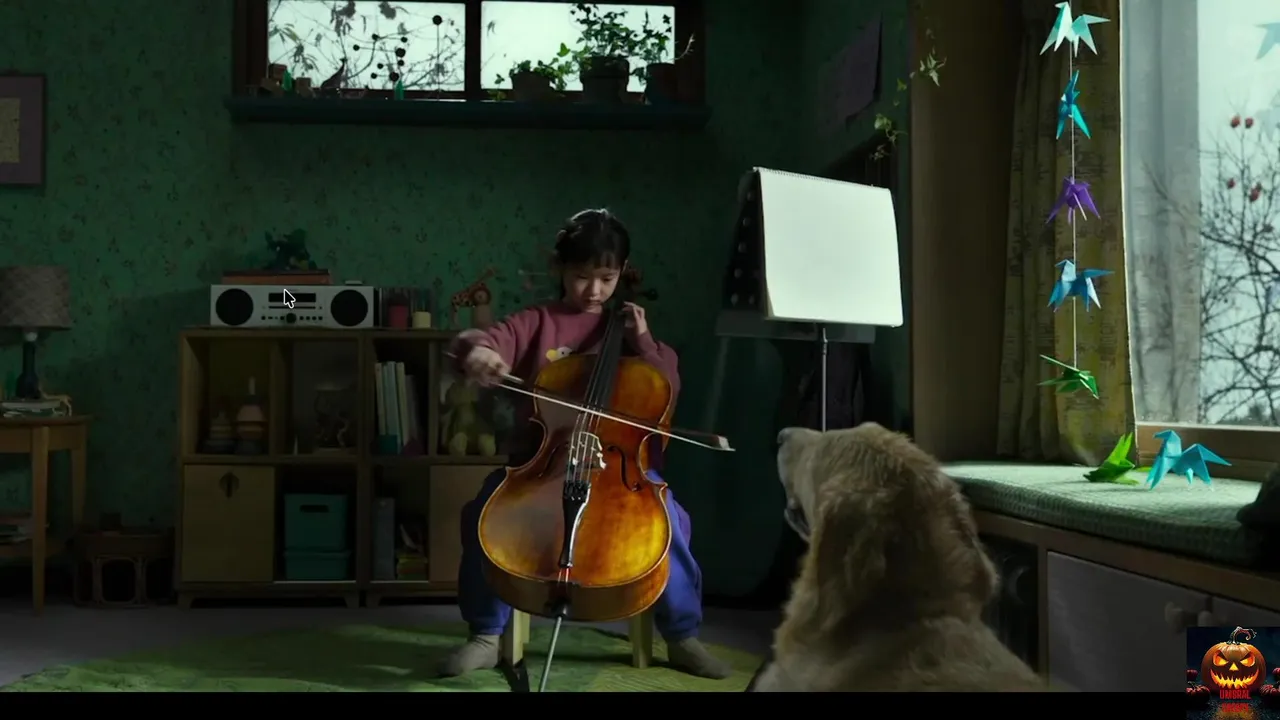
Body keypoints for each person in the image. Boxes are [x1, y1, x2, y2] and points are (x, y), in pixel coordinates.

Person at [438, 208, 731, 681]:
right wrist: (482, 352)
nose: (594, 290)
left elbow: (667, 388)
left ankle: (681, 636)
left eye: (606, 279)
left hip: (620, 471)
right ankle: (486, 635)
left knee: (670, 523)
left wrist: (644, 341)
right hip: (541, 466)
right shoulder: (537, 321)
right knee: (481, 514)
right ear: (559, 269)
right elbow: (484, 340)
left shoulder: (631, 335)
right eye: (581, 277)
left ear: (622, 273)